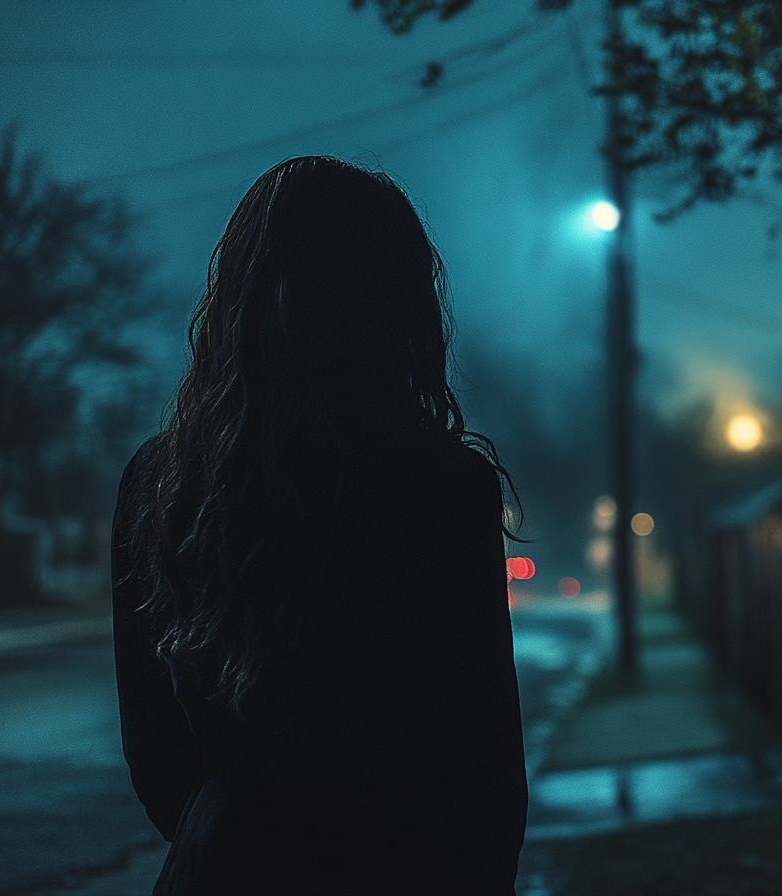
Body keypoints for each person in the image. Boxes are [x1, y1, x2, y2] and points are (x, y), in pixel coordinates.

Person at [111, 156, 527, 895]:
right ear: (397, 302)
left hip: (224, 863)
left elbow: (157, 760)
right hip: (401, 862)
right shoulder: (442, 485)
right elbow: (485, 758)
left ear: (236, 296)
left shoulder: (158, 482)